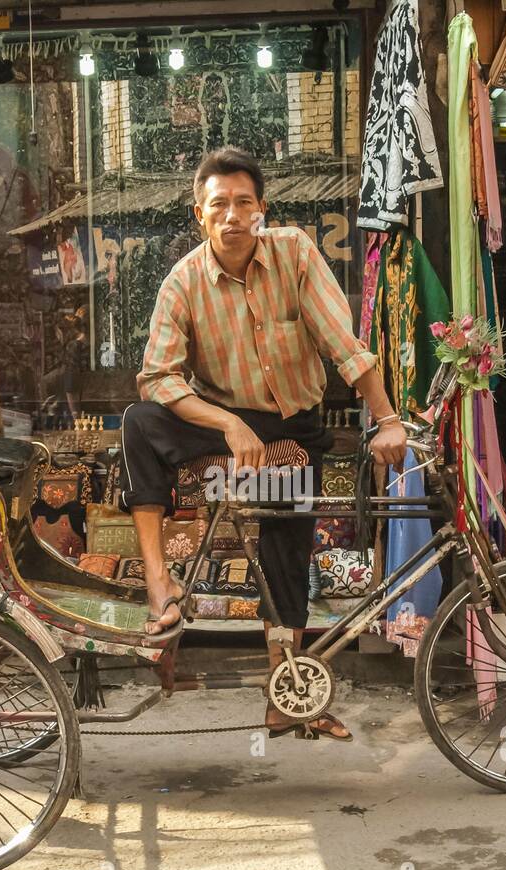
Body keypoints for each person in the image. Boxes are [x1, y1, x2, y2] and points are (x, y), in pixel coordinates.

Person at [120, 146, 407, 741]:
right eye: (217, 205)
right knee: (138, 421)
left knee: (287, 553)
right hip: (222, 418)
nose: (232, 216)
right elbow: (158, 376)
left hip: (294, 425)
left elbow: (343, 345)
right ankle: (159, 587)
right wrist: (226, 424)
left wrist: (387, 420)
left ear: (262, 211)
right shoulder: (183, 282)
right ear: (199, 216)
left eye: (243, 203)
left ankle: (288, 694)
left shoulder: (295, 253)